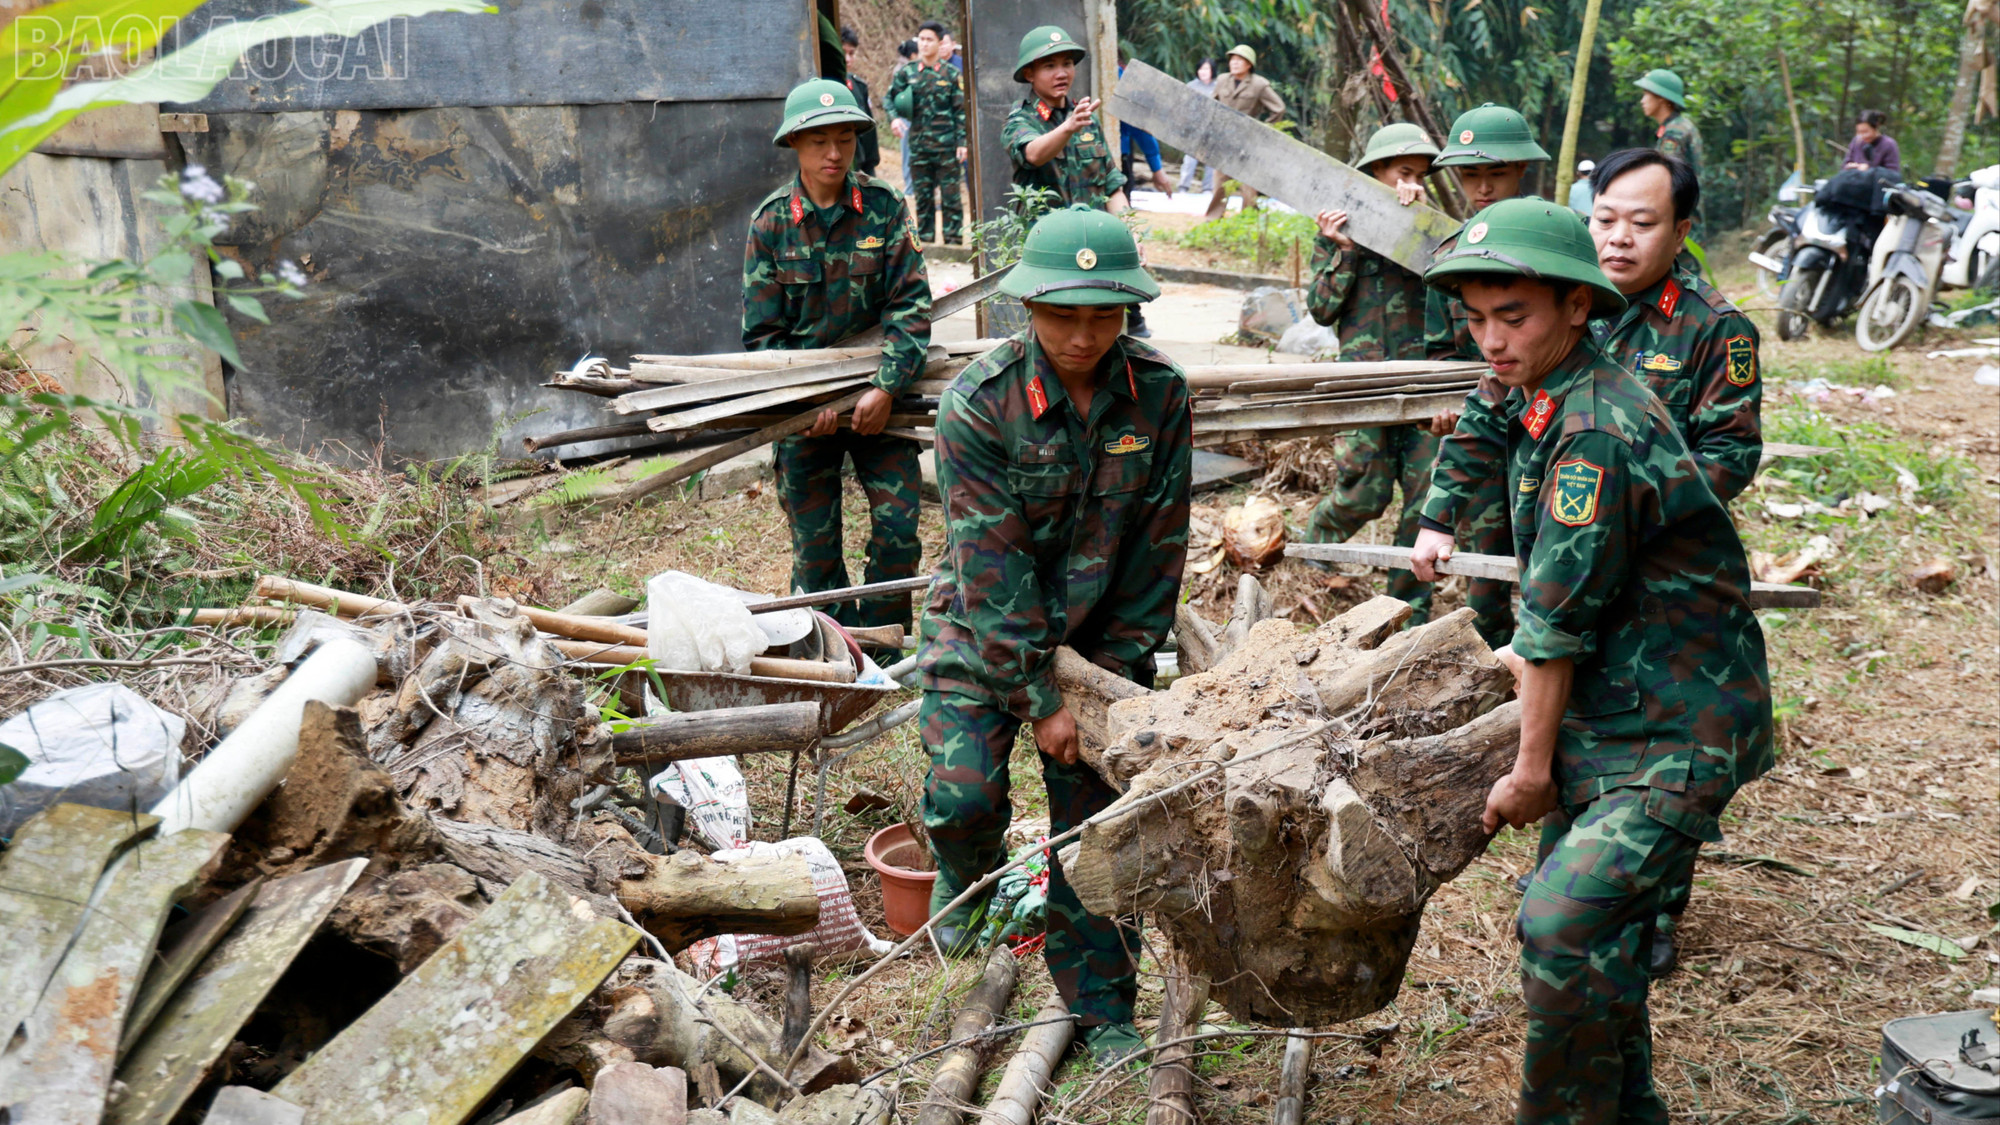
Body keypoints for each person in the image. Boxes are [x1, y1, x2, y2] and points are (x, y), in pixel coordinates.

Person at [1412, 197, 1773, 1125]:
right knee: (1595, 939)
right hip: (1617, 707)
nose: (1491, 340)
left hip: (1676, 724)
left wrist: (1530, 769)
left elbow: (1554, 622)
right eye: (1476, 319)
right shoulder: (1544, 385)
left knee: (1561, 924)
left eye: (1512, 316)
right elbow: (1557, 600)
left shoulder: (1594, 431)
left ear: (1577, 306)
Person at [919, 204, 1190, 1070]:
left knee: (1100, 833)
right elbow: (991, 567)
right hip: (983, 630)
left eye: (1104, 315)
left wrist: (1105, 680)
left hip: (1104, 638)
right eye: (1064, 315)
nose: (1083, 335)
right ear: (1029, 306)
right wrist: (1040, 697)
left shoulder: (1160, 394)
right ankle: (966, 873)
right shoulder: (979, 403)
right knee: (963, 796)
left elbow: (1159, 549)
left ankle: (1104, 1004)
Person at [743, 79, 931, 640]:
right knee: (815, 547)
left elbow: (911, 305)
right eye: (819, 140)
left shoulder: (884, 207)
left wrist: (887, 387)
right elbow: (763, 336)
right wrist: (808, 403)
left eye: (846, 138)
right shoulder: (771, 223)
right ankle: (832, 652)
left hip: (883, 404)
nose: (834, 152)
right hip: (807, 412)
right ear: (794, 144)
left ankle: (886, 645)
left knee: (899, 533)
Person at [1418, 102, 1550, 650]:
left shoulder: (1554, 245)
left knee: (1557, 565)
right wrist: (1444, 408)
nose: (1484, 187)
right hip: (1485, 430)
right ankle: (1497, 664)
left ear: (1521, 169)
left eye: (1495, 172)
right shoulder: (1454, 258)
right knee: (1487, 568)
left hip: (1555, 431)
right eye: (1470, 175)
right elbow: (1440, 356)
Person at [1302, 122, 1443, 624]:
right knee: (1366, 489)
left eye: (1420, 175)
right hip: (1362, 383)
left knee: (1425, 500)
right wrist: (1343, 249)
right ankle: (1311, 556)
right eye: (1404, 172)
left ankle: (1409, 610)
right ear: (1375, 173)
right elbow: (1321, 310)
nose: (1412, 183)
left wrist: (1419, 225)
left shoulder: (1433, 232)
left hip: (1424, 384)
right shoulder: (1337, 230)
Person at [1002, 25, 1151, 338]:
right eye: (1049, 65)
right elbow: (1033, 153)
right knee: (1052, 335)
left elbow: (1112, 186)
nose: (1062, 73)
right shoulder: (1021, 118)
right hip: (1049, 255)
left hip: (1094, 250)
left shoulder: (1086, 120)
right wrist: (1068, 127)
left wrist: (1131, 235)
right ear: (1029, 74)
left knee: (1100, 334)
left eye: (1067, 64)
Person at [887, 21, 967, 245]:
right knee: (923, 198)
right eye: (921, 39)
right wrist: (894, 119)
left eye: (929, 39)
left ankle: (953, 242)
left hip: (947, 147)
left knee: (951, 197)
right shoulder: (908, 72)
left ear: (940, 43)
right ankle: (926, 243)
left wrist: (962, 142)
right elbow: (889, 98)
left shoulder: (951, 74)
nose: (924, 44)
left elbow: (960, 111)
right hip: (919, 147)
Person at [1203, 44, 1286, 219]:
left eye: (1239, 60)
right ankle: (1213, 220)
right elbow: (1211, 105)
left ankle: (1248, 221)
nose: (1234, 63)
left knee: (1248, 183)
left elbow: (1278, 109)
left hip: (1248, 142)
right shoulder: (1222, 80)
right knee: (1220, 182)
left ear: (1249, 64)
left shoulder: (1259, 84)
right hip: (1224, 139)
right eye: (1232, 60)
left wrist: (1263, 132)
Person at [839, 26, 880, 178]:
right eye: (843, 52)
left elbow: (869, 133)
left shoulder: (858, 86)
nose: (847, 59)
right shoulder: (823, 84)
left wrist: (870, 169)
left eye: (851, 53)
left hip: (857, 165)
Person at [1176, 59, 1219, 193]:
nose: (1203, 72)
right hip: (1194, 128)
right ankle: (1183, 186)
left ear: (1212, 70)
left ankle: (1208, 188)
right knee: (1190, 160)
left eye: (1206, 69)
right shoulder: (1191, 86)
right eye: (1201, 69)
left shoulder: (1218, 87)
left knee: (1211, 161)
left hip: (1212, 129)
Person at [893, 38, 918, 193]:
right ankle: (910, 188)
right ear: (914, 55)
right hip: (906, 117)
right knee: (908, 153)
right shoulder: (903, 71)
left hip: (912, 116)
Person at [1844, 109, 1902, 174]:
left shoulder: (1888, 144)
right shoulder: (1856, 142)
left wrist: (1869, 170)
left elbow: (1893, 173)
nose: (1862, 136)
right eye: (1859, 132)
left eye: (1865, 132)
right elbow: (1845, 167)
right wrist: (1850, 167)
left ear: (1876, 127)